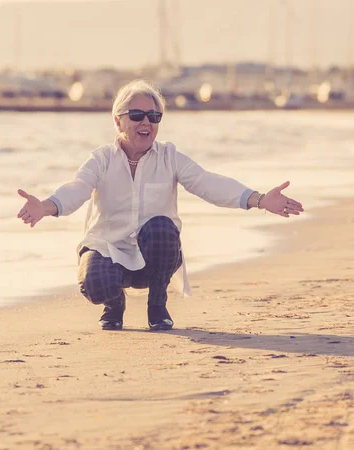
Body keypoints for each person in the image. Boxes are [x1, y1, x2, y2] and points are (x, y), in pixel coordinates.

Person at [17, 80, 304, 331]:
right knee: (97, 285)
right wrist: (45, 206)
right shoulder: (101, 159)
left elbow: (208, 183)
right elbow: (77, 189)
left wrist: (260, 199)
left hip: (154, 256)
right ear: (118, 121)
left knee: (162, 228)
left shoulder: (170, 157)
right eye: (137, 115)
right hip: (108, 250)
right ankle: (114, 304)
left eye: (154, 116)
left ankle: (158, 305)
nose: (146, 123)